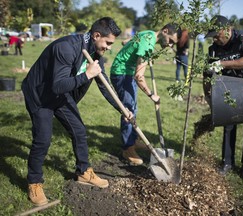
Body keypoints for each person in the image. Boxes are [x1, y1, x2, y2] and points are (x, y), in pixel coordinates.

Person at [22, 17, 132, 206]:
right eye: (108, 42)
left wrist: (122, 109)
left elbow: (103, 84)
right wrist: (87, 74)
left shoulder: (95, 52)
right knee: (43, 139)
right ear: (97, 35)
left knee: (79, 131)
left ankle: (83, 172)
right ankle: (34, 182)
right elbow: (58, 85)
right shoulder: (66, 48)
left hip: (61, 95)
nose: (109, 47)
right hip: (40, 95)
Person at [204, 15, 243, 181]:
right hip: (232, 88)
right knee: (228, 123)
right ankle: (227, 162)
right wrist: (208, 95)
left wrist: (221, 64)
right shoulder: (213, 50)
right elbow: (207, 74)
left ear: (227, 29)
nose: (215, 39)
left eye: (217, 35)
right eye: (213, 37)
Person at [110, 24, 182, 166]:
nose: (170, 45)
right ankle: (127, 149)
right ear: (165, 31)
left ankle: (132, 140)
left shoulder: (148, 33)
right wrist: (151, 95)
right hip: (122, 74)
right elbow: (139, 77)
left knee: (133, 109)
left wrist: (139, 53)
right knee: (128, 110)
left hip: (125, 72)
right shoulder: (148, 43)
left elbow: (126, 42)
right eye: (171, 40)